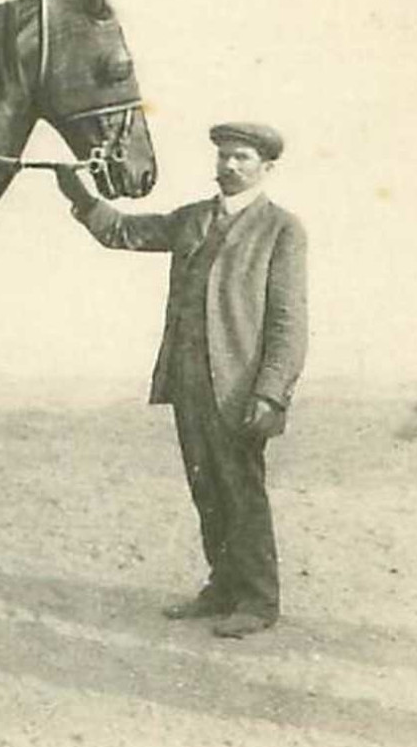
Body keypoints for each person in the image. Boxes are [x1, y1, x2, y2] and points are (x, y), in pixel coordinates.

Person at [54, 121, 308, 638]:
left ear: (266, 167)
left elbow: (289, 320)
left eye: (241, 158)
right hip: (188, 380)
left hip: (241, 388)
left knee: (242, 490)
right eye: (223, 157)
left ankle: (258, 601)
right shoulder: (192, 219)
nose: (230, 166)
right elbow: (123, 233)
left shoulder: (282, 228)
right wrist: (79, 196)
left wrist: (271, 393)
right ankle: (222, 588)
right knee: (206, 488)